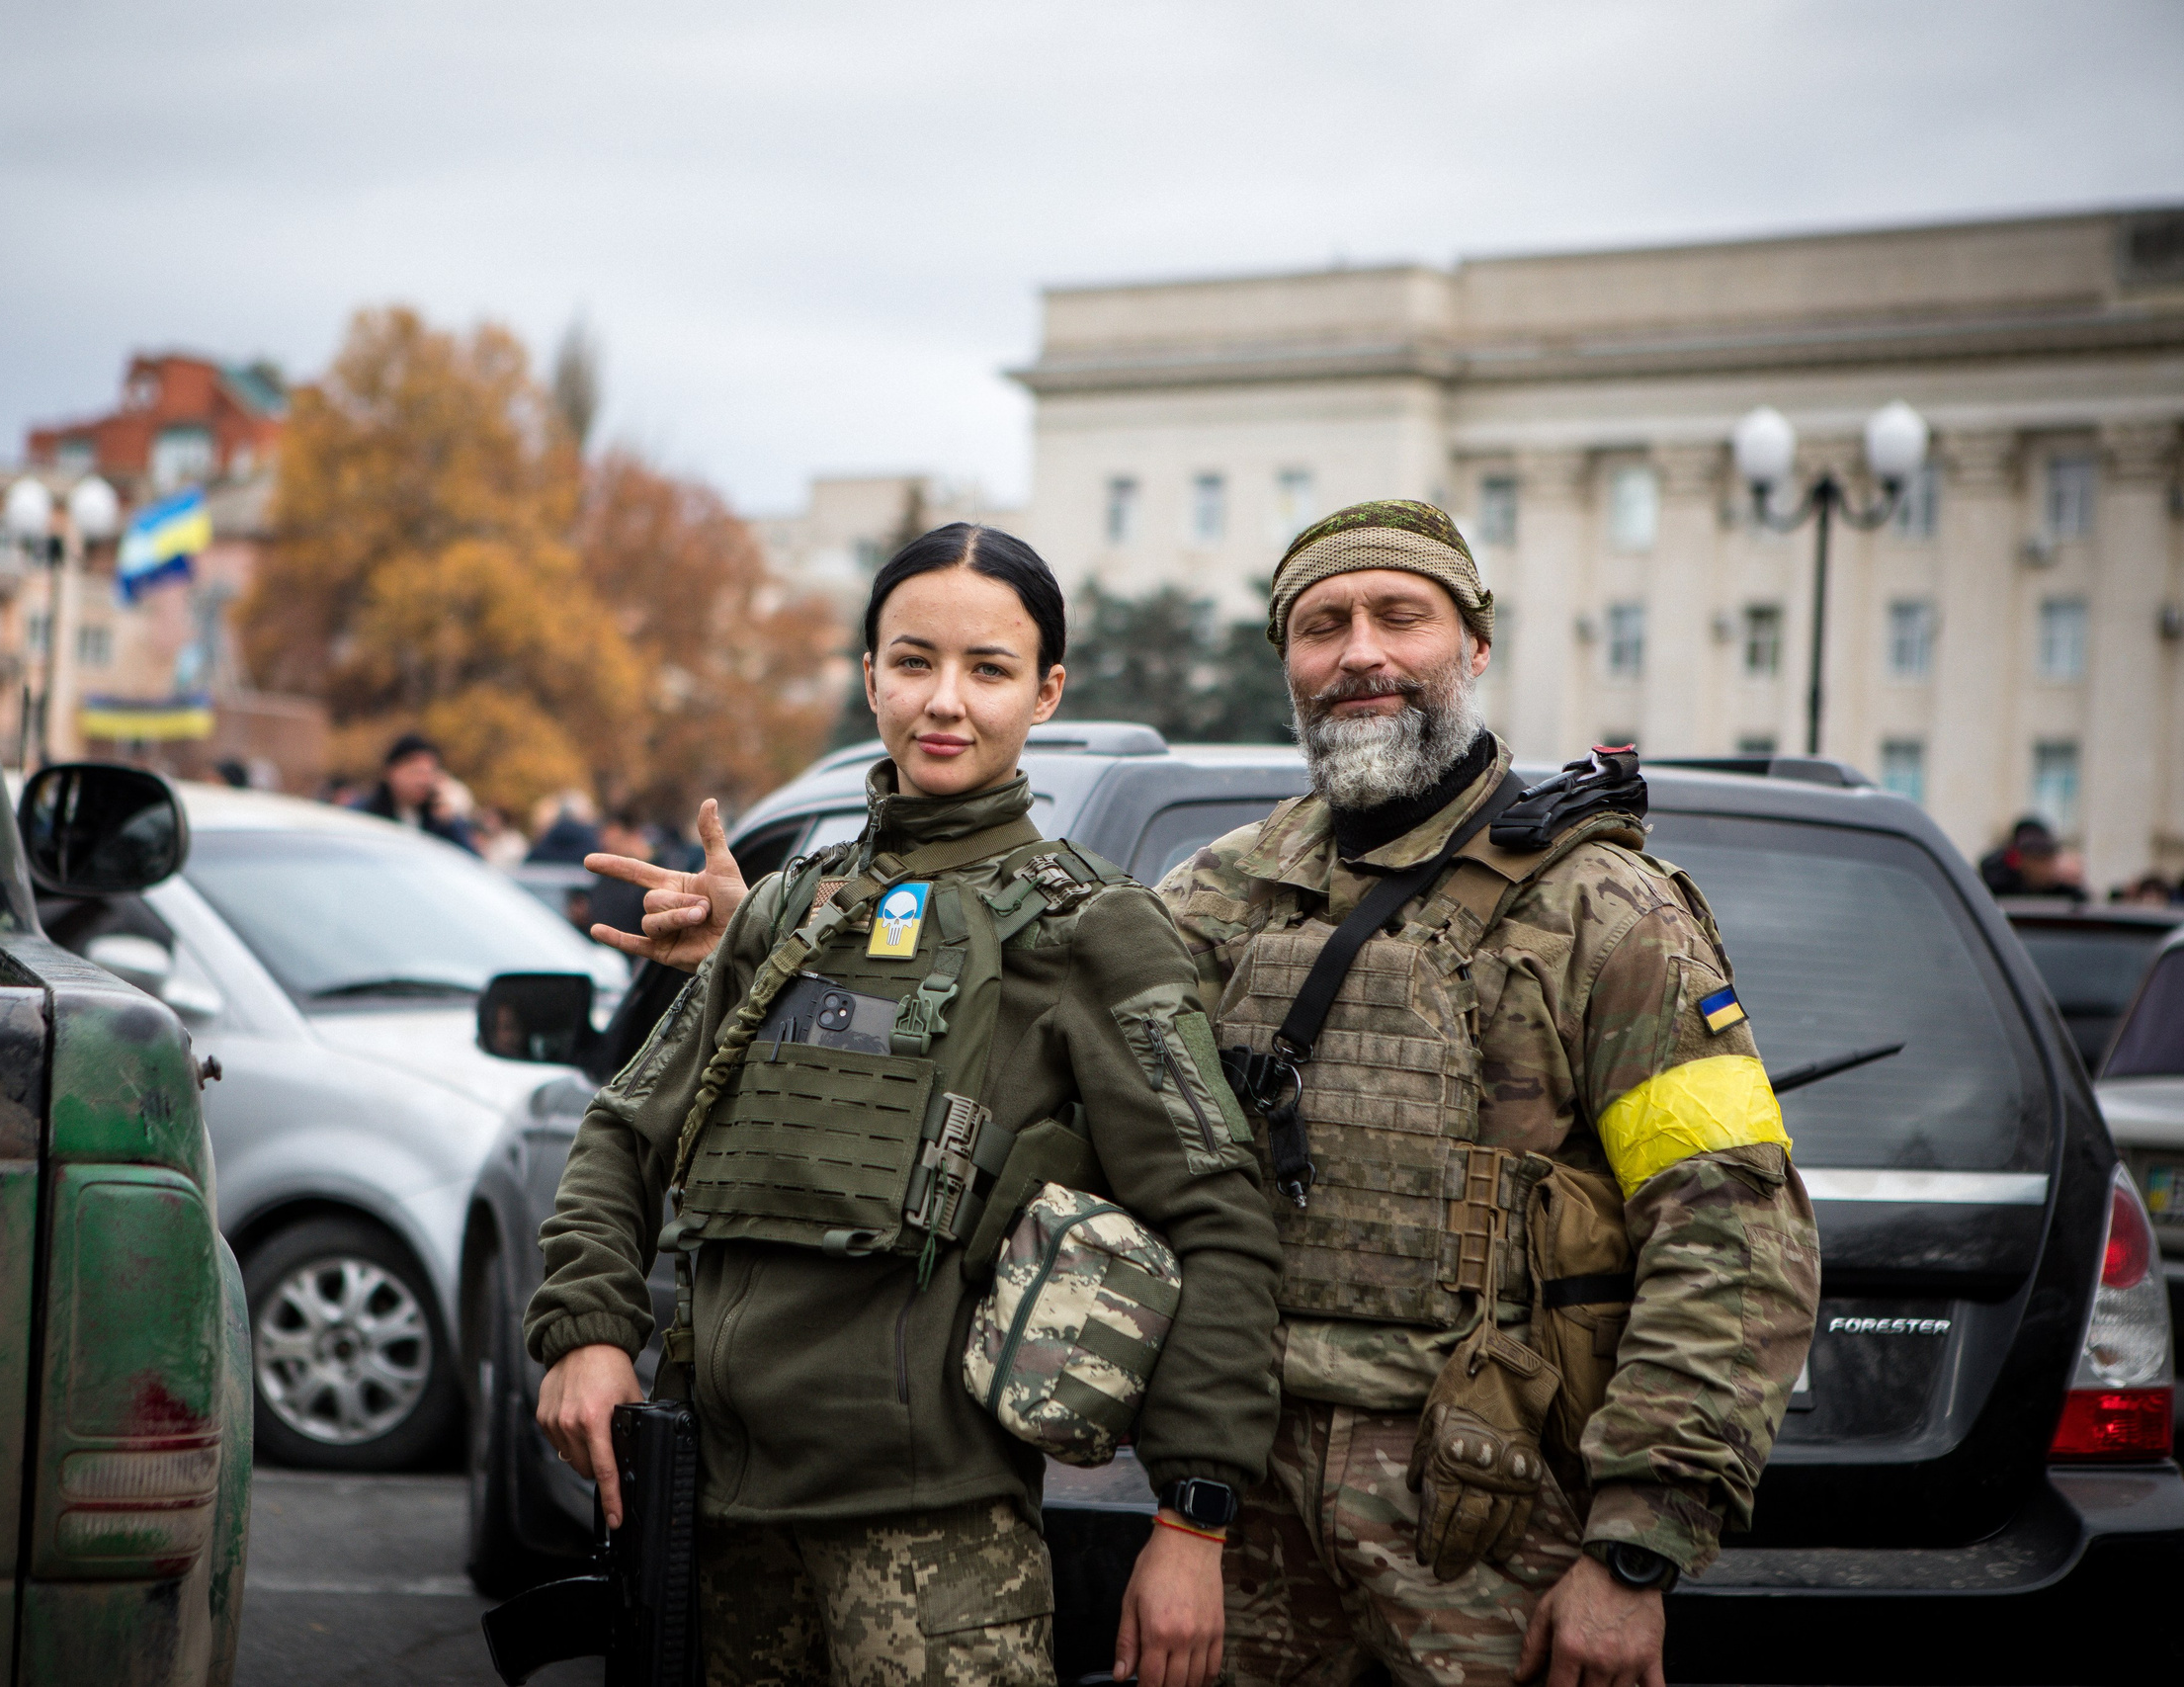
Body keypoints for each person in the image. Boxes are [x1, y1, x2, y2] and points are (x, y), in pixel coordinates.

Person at [529, 523, 1285, 1687]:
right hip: (714, 1514)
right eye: (913, 660)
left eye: (987, 670)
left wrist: (1191, 1522)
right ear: (868, 675)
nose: (945, 702)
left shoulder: (1095, 931)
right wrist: (585, 1332)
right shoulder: (786, 914)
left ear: (1045, 693)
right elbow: (623, 1132)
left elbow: (1219, 1221)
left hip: (936, 1547)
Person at [1162, 500, 1819, 1687]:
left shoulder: (1604, 910)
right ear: (1289, 666)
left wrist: (1633, 1553)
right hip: (1243, 1511)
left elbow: (1729, 1228)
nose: (1359, 651)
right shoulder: (1222, 893)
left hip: (1488, 1508)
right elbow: (1046, 1052)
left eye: (1398, 616)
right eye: (1321, 626)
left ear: (1472, 647)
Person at [356, 732, 480, 855]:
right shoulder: (364, 817)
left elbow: (470, 863)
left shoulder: (439, 818)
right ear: (390, 772)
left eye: (430, 773)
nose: (424, 781)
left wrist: (450, 825)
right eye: (416, 772)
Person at [1978, 816, 2085, 903]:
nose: (2043, 867)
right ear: (2020, 860)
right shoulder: (1997, 888)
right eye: (2037, 859)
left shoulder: (2066, 894)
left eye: (2047, 858)